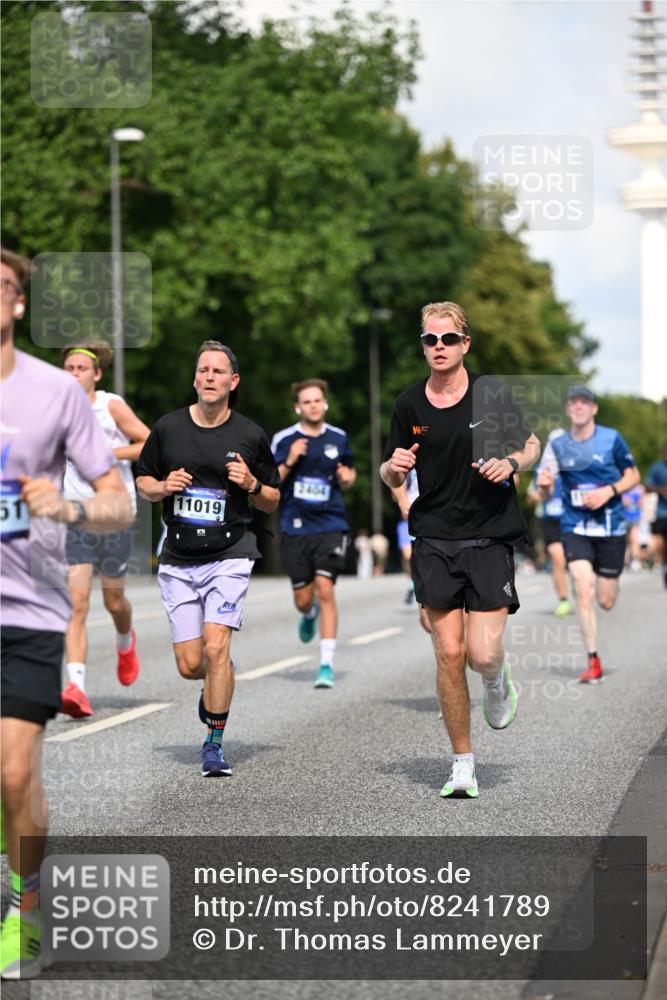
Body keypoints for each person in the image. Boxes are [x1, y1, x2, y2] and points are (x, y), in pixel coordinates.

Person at [0, 247, 131, 979]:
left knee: (15, 775)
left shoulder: (57, 394)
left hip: (28, 604)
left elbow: (118, 499)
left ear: (20, 304)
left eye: (5, 288)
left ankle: (26, 908)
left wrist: (70, 503)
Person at [380, 301, 540, 799]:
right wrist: (396, 468)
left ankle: (496, 681)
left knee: (481, 653)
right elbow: (387, 472)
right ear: (423, 345)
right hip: (433, 538)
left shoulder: (491, 395)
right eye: (430, 340)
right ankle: (463, 763)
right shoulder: (409, 405)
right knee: (448, 653)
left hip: (489, 536)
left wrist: (512, 463)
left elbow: (532, 445)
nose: (439, 348)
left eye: (448, 339)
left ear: (465, 343)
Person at [136, 341, 279, 777]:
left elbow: (272, 500)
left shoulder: (250, 435)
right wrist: (163, 487)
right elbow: (143, 480)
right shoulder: (168, 428)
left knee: (216, 645)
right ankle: (219, 675)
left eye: (219, 371)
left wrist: (253, 484)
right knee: (191, 665)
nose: (210, 376)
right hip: (178, 558)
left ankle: (214, 744)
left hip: (230, 554)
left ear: (233, 382)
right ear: (195, 379)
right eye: (203, 370)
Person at [60, 341, 150, 717]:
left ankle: (125, 640)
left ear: (96, 374)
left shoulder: (110, 405)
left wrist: (106, 453)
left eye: (81, 368)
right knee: (76, 603)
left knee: (114, 602)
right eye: (68, 368)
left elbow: (147, 442)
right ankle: (77, 687)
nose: (74, 374)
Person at [537, 385, 640, 683]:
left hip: (610, 527)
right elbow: (545, 494)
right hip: (575, 526)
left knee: (605, 600)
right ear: (568, 409)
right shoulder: (558, 444)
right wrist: (544, 484)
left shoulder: (612, 439)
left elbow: (633, 475)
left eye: (585, 402)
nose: (579, 407)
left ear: (594, 409)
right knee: (583, 588)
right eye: (574, 402)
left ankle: (608, 580)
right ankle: (593, 661)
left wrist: (609, 491)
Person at [271, 379, 356, 689]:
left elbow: (348, 472)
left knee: (326, 589)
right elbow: (270, 483)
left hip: (331, 524)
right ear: (298, 407)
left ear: (325, 403)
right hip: (296, 527)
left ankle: (326, 664)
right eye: (307, 402)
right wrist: (290, 460)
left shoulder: (339, 437)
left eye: (317, 400)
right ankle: (308, 615)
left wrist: (347, 477)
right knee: (304, 599)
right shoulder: (283, 439)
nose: (313, 406)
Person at [527, 428, 571, 617]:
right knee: (557, 557)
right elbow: (536, 494)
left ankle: (581, 588)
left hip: (572, 519)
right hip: (550, 520)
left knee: (575, 563)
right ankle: (563, 599)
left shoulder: (575, 466)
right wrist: (543, 492)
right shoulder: (543, 470)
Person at [391, 470, 432, 633]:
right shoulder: (409, 457)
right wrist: (402, 500)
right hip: (409, 520)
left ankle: (487, 651)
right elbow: (393, 483)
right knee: (408, 555)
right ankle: (412, 581)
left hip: (441, 523)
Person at [646, 443, 667, 589]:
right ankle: (664, 564)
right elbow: (647, 486)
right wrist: (662, 490)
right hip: (662, 512)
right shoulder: (657, 467)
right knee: (661, 542)